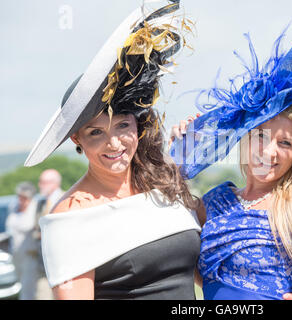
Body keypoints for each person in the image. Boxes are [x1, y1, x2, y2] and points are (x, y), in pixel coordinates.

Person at [23, 1, 203, 300]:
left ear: (138, 126)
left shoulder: (166, 188)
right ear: (76, 139)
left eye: (122, 125)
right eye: (96, 132)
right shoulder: (70, 218)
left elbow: (206, 276)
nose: (114, 143)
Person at [170, 19, 292, 299]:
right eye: (260, 136)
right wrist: (183, 147)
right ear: (245, 136)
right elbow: (199, 273)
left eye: (285, 143)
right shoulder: (214, 202)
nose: (268, 152)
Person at [33, 169, 64, 300]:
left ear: (55, 183)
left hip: (62, 264)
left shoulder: (65, 198)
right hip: (43, 265)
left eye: (44, 182)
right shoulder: (40, 203)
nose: (40, 185)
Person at [5, 182, 39, 300]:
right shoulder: (13, 207)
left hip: (30, 254)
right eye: (19, 196)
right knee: (22, 285)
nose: (21, 200)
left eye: (24, 197)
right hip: (15, 254)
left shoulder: (35, 208)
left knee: (28, 288)